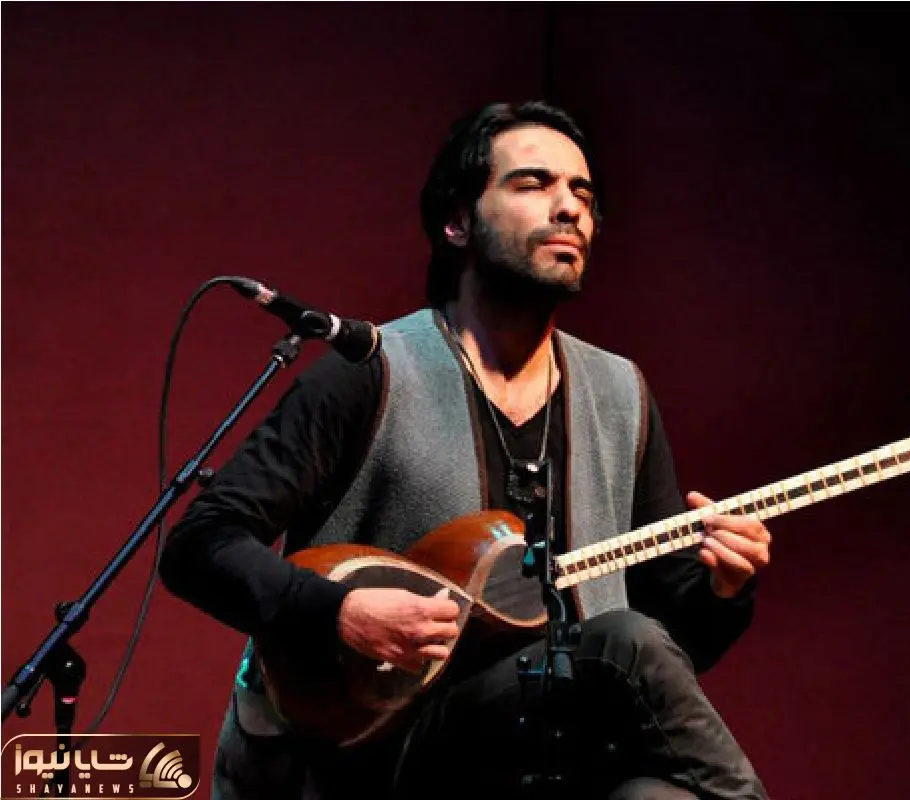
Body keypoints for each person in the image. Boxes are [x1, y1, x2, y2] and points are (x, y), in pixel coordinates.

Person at [159, 100, 772, 800]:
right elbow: (200, 544)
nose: (569, 208)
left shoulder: (619, 394)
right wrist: (337, 612)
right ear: (457, 221)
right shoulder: (371, 372)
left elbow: (674, 650)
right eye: (533, 183)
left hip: (558, 753)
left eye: (583, 193)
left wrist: (725, 591)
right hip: (380, 749)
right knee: (625, 641)